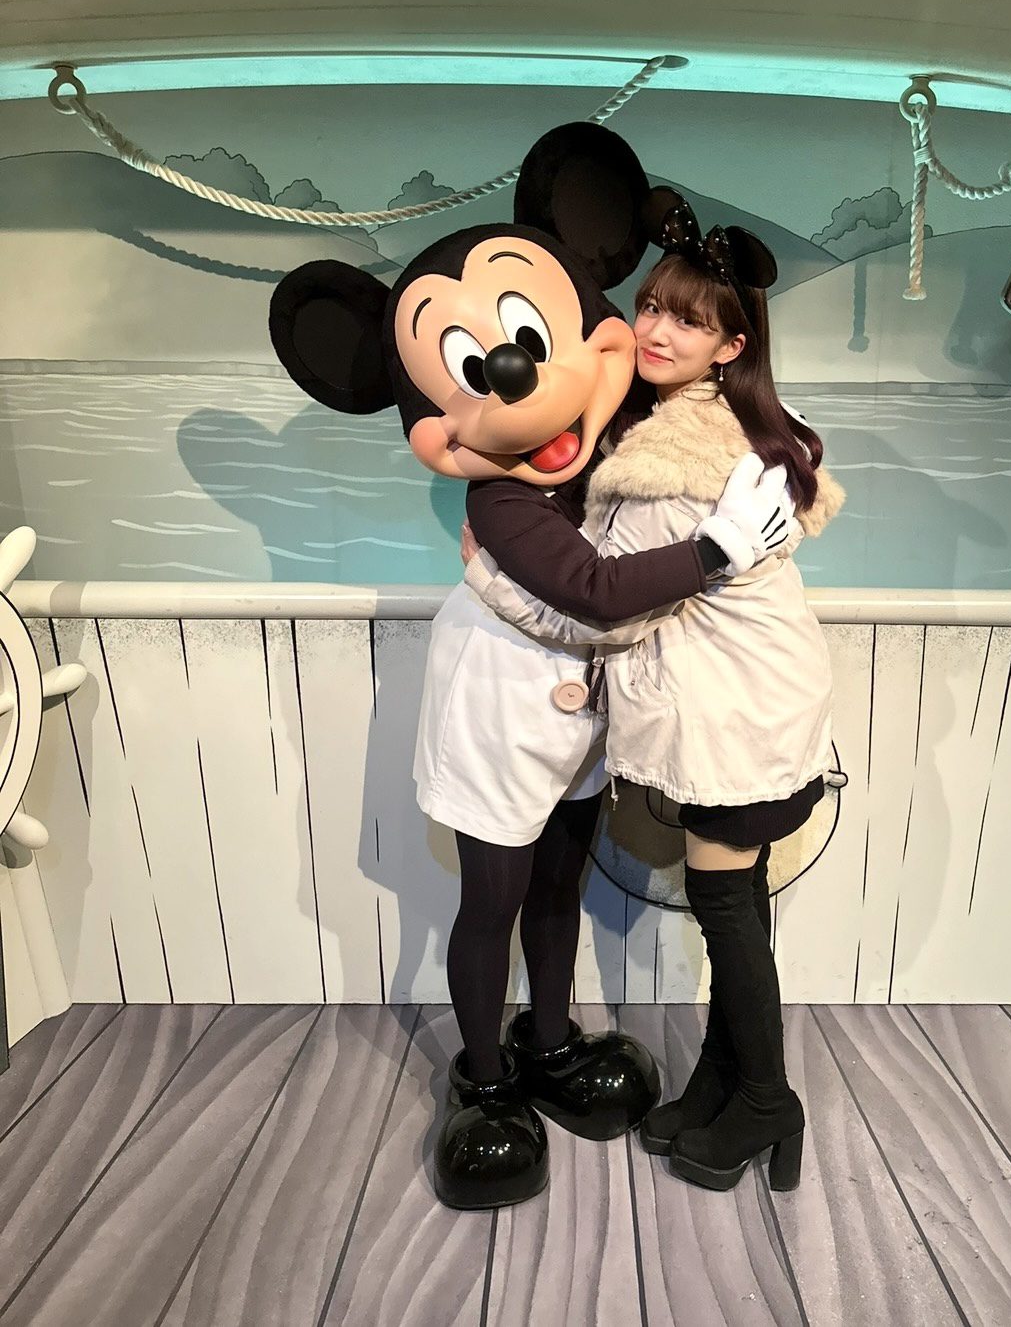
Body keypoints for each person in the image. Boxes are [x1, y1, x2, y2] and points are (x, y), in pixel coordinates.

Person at [269, 127, 796, 1210]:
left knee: (561, 881)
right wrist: (715, 552)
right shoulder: (498, 496)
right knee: (492, 896)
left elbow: (700, 402)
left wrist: (778, 462)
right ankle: (486, 1072)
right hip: (500, 700)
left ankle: (548, 1039)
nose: (523, 378)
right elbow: (595, 589)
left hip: (586, 706)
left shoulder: (620, 440)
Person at [462, 188, 844, 1194]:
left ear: (731, 347)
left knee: (726, 908)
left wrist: (490, 577)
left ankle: (766, 1099)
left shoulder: (667, 465)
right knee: (738, 901)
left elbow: (607, 609)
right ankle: (725, 1079)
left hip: (734, 716)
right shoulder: (727, 427)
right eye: (652, 305)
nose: (657, 330)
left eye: (690, 320)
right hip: (763, 701)